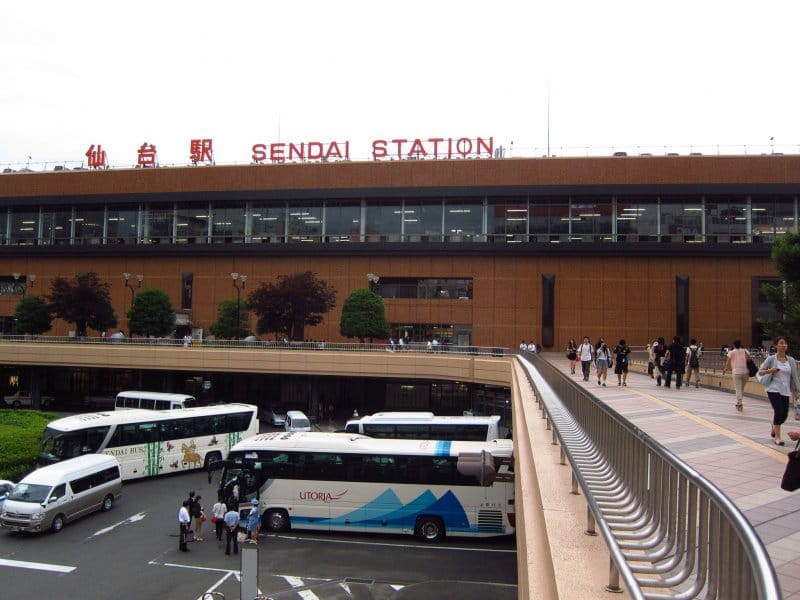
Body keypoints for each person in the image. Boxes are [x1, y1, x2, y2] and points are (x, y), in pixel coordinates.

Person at [757, 336, 800, 446]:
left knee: (784, 414)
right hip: (773, 389)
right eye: (781, 343)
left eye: (785, 343)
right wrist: (770, 370)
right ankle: (778, 437)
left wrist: (797, 391)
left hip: (785, 390)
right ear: (776, 345)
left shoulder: (790, 360)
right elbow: (760, 372)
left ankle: (774, 428)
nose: (783, 345)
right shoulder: (771, 359)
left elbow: (794, 377)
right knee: (779, 410)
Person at [722, 340, 750, 411]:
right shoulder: (745, 351)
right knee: (741, 389)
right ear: (740, 344)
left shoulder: (732, 352)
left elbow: (728, 361)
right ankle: (739, 402)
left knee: (738, 389)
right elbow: (748, 358)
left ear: (734, 345)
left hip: (736, 372)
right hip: (745, 372)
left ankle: (739, 403)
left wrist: (725, 369)